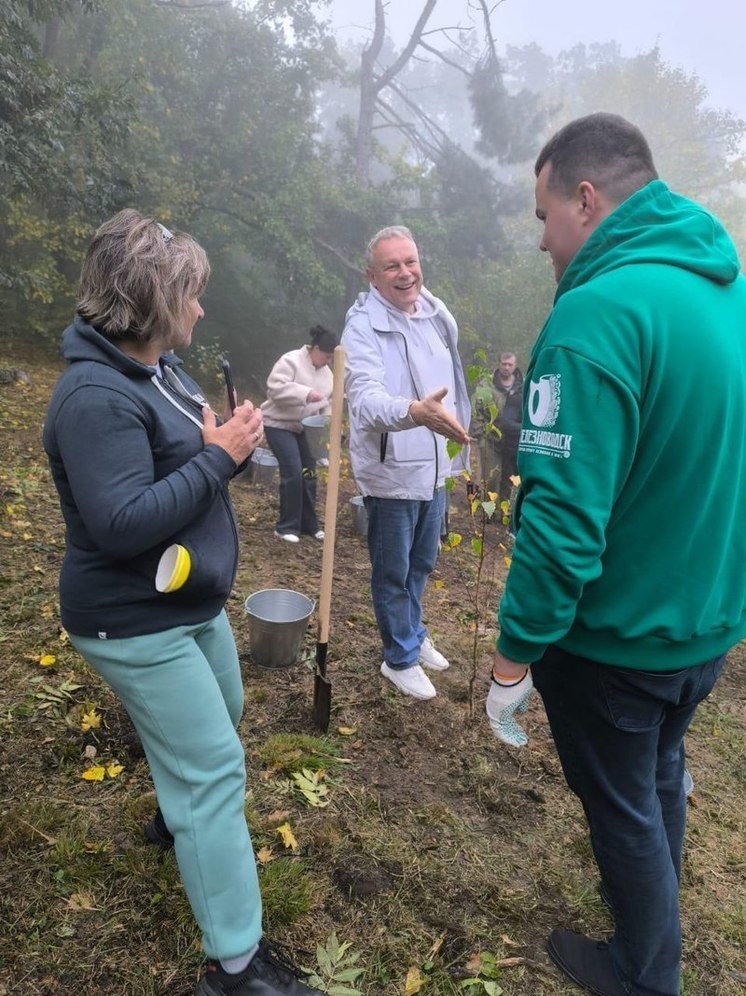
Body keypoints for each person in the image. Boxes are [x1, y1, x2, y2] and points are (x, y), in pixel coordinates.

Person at [485, 113, 746, 996]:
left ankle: (644, 973)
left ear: (585, 199)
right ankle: (652, 935)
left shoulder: (596, 316)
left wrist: (513, 656)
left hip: (616, 643)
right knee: (658, 778)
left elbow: (561, 522)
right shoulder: (726, 293)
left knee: (623, 810)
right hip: (703, 629)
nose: (543, 240)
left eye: (544, 214)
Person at [43, 210, 320, 996]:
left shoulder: (158, 369)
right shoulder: (94, 394)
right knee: (213, 772)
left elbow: (187, 452)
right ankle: (234, 966)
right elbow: (122, 521)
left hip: (184, 602)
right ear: (154, 299)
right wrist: (221, 458)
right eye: (191, 295)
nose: (200, 309)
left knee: (224, 709)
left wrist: (218, 438)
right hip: (129, 616)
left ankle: (175, 818)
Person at [342, 225, 471, 701]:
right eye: (392, 265)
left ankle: (414, 634)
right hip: (391, 471)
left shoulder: (435, 315)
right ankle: (398, 657)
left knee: (422, 561)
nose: (405, 273)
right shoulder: (363, 326)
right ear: (372, 275)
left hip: (434, 467)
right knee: (393, 569)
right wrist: (414, 411)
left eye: (410, 261)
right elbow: (365, 400)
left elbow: (452, 382)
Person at [261, 325, 338, 543]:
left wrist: (324, 443)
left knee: (308, 474)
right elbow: (274, 389)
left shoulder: (328, 375)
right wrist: (305, 394)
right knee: (293, 472)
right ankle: (286, 526)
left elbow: (327, 407)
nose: (328, 362)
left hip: (304, 429)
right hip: (278, 424)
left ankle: (308, 524)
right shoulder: (291, 360)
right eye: (326, 356)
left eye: (331, 359)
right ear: (314, 349)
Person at [472, 351, 524, 499]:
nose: (506, 367)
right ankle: (488, 513)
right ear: (499, 364)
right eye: (504, 364)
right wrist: (480, 436)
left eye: (510, 364)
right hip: (491, 439)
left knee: (510, 478)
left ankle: (505, 512)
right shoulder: (486, 384)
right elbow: (477, 411)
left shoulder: (522, 385)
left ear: (515, 366)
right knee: (491, 477)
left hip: (513, 441)